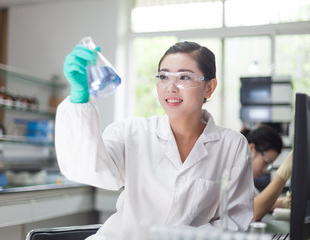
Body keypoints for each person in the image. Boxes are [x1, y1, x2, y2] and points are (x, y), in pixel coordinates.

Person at [55, 41, 255, 240]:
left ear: (209, 88)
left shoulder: (232, 145)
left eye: (184, 77)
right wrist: (79, 99)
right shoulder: (131, 132)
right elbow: (92, 170)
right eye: (164, 76)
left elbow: (235, 221)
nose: (171, 87)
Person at [241, 125, 293, 221]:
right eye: (265, 163)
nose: (265, 170)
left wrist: (284, 203)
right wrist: (284, 171)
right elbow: (254, 213)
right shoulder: (232, 174)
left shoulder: (246, 180)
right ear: (252, 149)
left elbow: (258, 202)